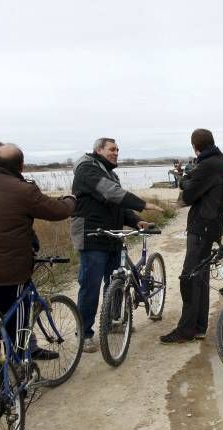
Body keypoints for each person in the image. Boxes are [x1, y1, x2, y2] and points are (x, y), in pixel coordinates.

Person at [0, 144, 76, 401]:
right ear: (21, 166)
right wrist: (71, 200)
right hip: (11, 276)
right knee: (16, 331)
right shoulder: (24, 190)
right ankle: (13, 385)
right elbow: (57, 211)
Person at [70, 137, 162, 352]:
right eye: (112, 149)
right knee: (90, 286)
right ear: (98, 150)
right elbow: (110, 192)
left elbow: (116, 204)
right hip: (92, 235)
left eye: (118, 150)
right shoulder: (87, 169)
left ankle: (113, 321)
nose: (116, 153)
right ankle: (85, 334)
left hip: (113, 236)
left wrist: (134, 220)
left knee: (117, 280)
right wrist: (143, 204)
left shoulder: (110, 173)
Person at [160, 129, 223, 344]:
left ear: (194, 146)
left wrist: (183, 181)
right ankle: (199, 327)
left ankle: (186, 330)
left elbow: (189, 195)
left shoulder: (207, 165)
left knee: (189, 279)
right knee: (200, 277)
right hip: (211, 225)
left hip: (202, 227)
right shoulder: (218, 162)